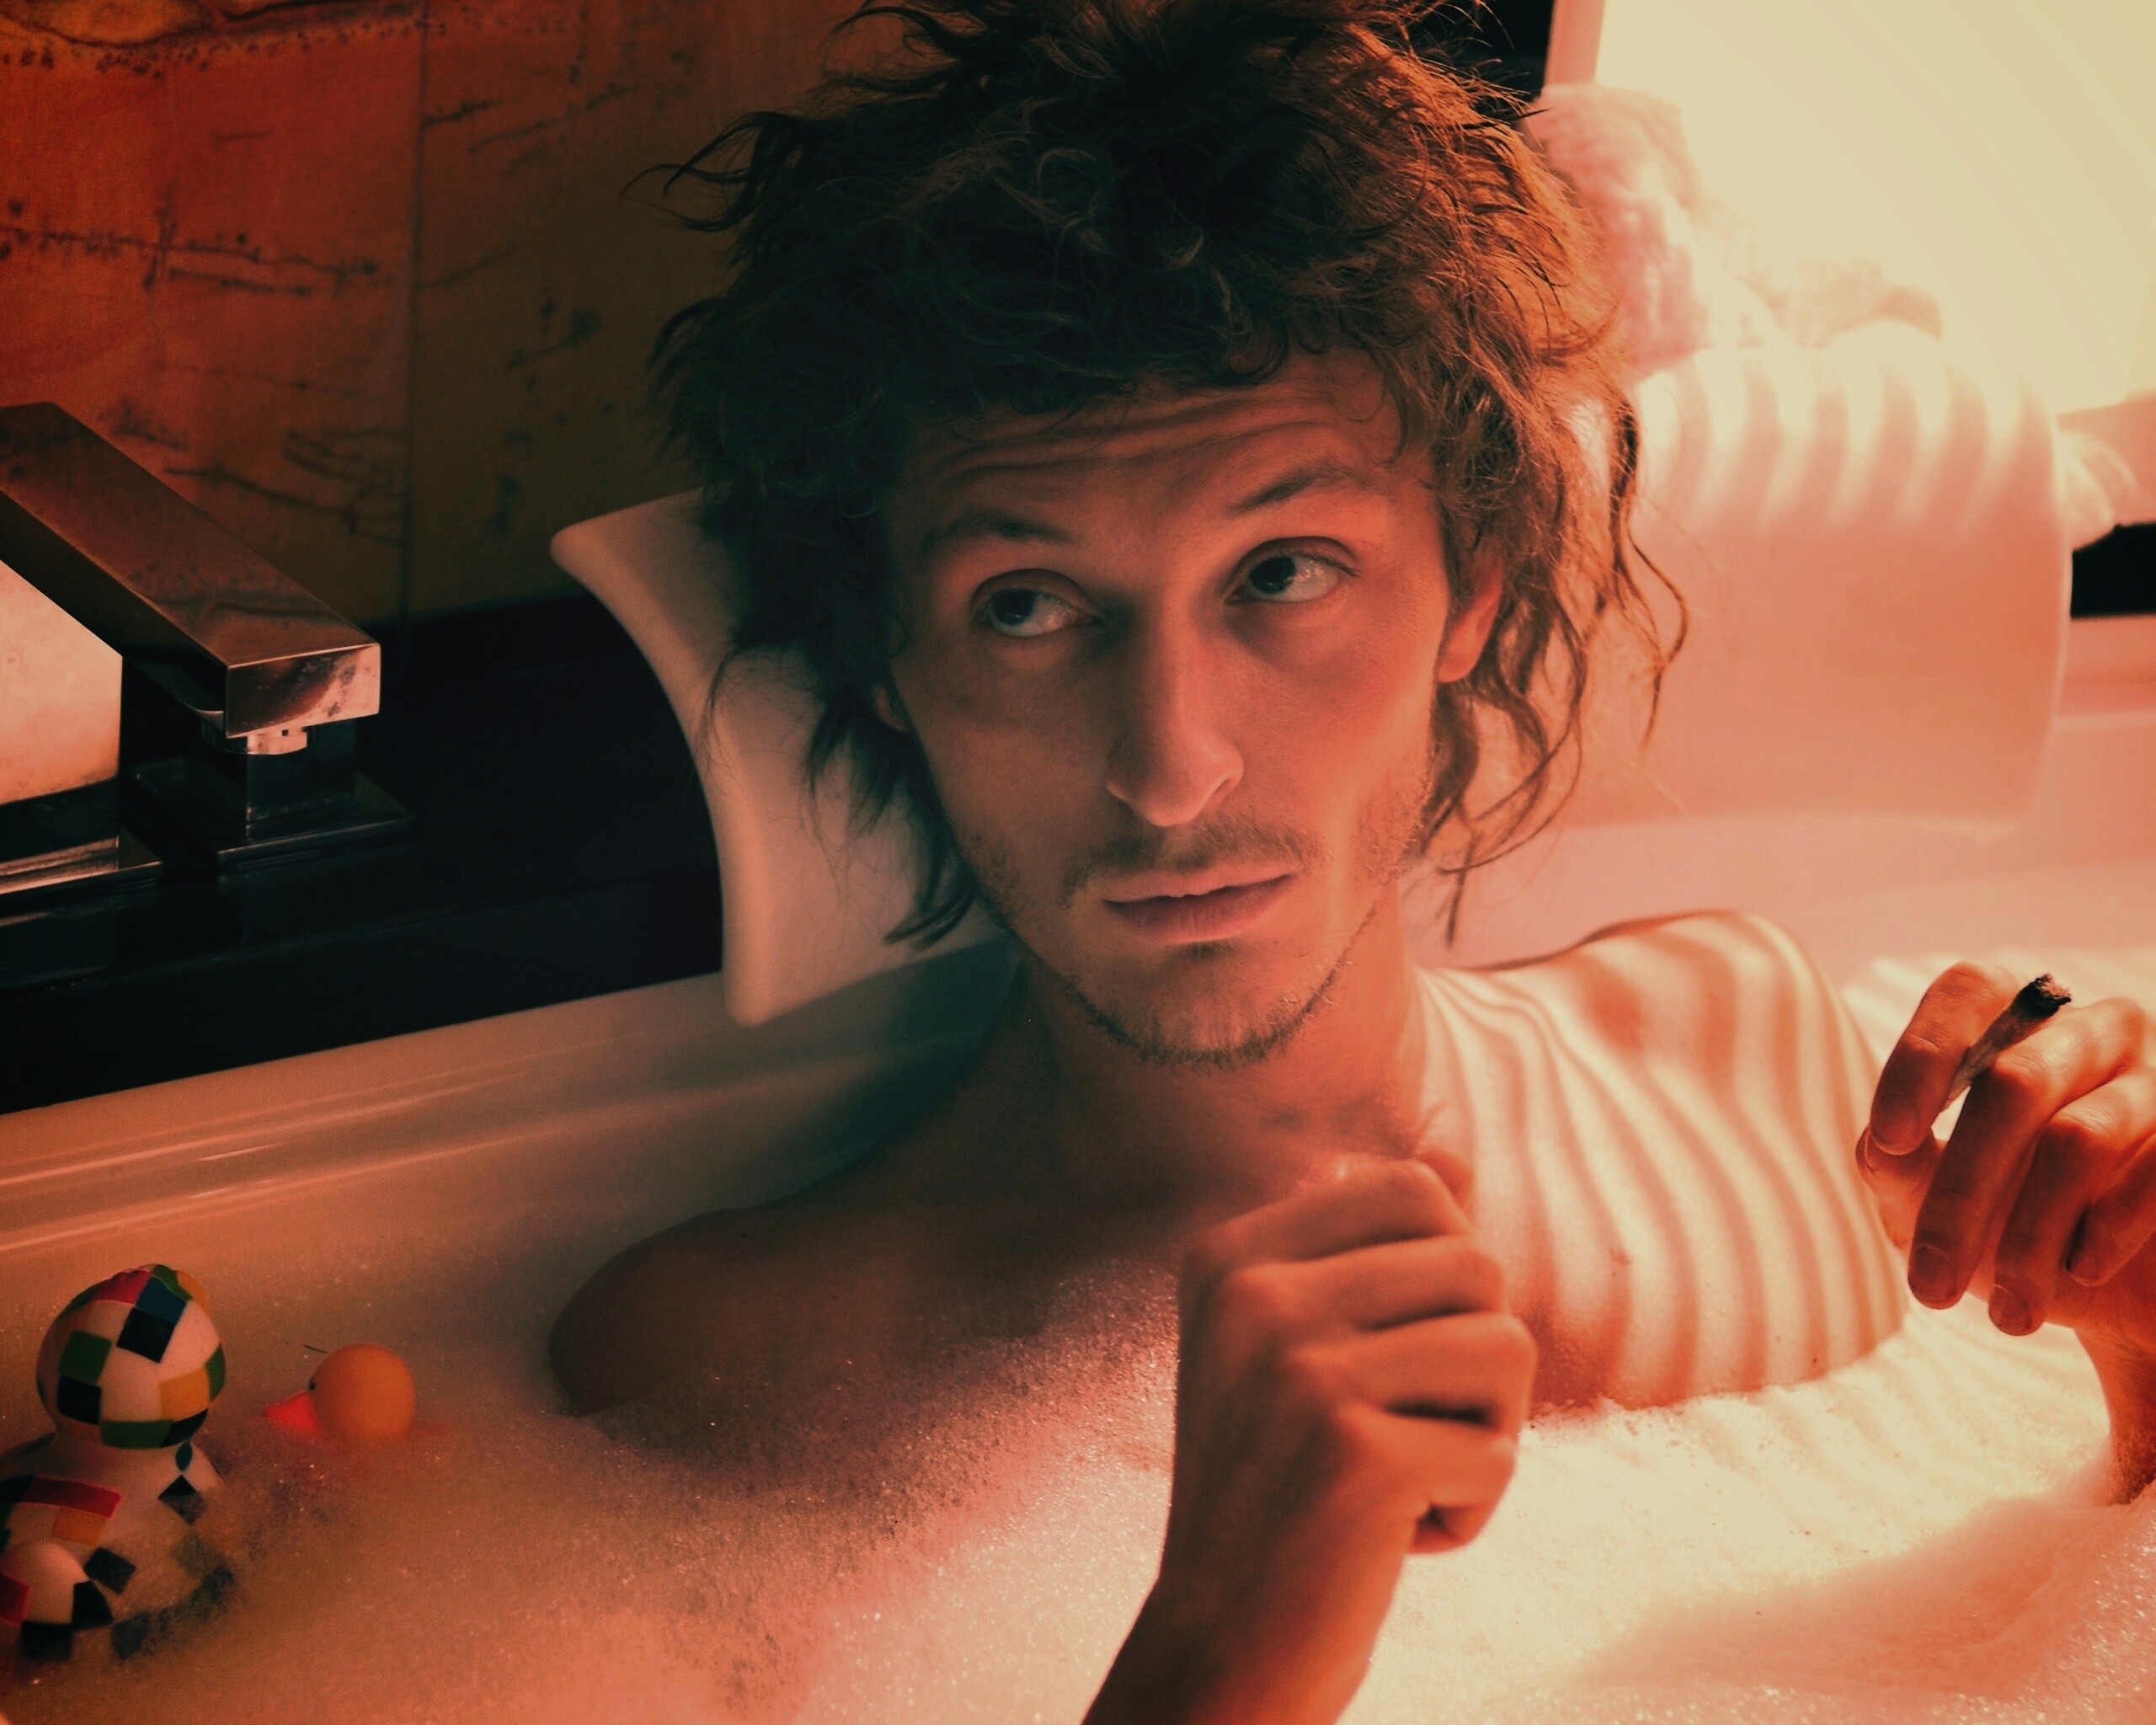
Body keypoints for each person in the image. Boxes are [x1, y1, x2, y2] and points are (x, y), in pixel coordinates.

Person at [551, 4, 2156, 1719]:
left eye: (1282, 573)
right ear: (882, 656)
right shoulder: (732, 1371)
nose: (1170, 767)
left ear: (1474, 585)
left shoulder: (1756, 1068)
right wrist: (1215, 1651)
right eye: (1025, 606)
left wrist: (2142, 1348)